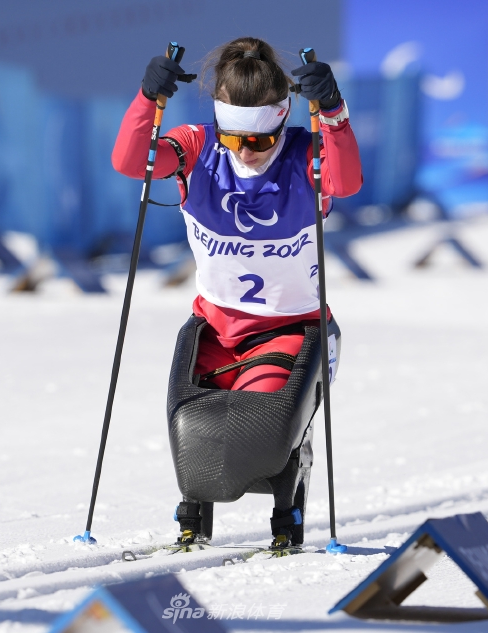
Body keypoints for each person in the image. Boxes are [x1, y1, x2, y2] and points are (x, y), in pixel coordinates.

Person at [112, 37, 362, 549]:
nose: (246, 153)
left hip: (289, 331)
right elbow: (131, 162)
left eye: (260, 142)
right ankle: (193, 512)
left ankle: (287, 499)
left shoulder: (305, 154)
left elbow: (350, 180)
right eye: (235, 141)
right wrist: (146, 99)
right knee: (194, 430)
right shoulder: (197, 145)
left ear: (281, 119)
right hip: (217, 328)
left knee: (254, 438)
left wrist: (334, 114)